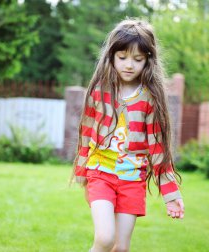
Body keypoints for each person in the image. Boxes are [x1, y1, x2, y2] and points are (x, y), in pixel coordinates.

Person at [72, 18, 185, 252]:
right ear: (111, 56)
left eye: (138, 59)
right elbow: (86, 133)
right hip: (100, 173)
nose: (129, 65)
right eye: (122, 57)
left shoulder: (150, 99)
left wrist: (170, 193)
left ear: (148, 61)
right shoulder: (99, 91)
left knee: (121, 247)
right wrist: (82, 171)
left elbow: (157, 148)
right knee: (104, 238)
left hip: (132, 180)